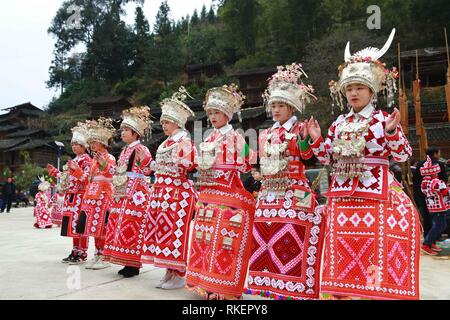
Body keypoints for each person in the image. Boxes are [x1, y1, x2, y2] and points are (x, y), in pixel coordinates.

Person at [307, 29, 421, 300]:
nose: (353, 93)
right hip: (342, 195)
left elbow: (403, 155)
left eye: (359, 88)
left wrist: (393, 132)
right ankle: (342, 293)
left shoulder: (383, 119)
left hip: (375, 192)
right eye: (349, 88)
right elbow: (326, 159)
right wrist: (315, 140)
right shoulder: (337, 123)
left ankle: (376, 293)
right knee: (343, 246)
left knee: (377, 245)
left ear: (371, 91)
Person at [246, 63, 325, 300]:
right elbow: (255, 162)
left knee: (292, 240)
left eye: (280, 105)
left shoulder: (301, 128)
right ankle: (268, 286)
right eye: (273, 105)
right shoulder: (265, 133)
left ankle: (292, 289)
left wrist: (305, 140)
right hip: (268, 193)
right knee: (264, 240)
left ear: (291, 106)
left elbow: (309, 159)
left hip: (293, 191)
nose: (276, 109)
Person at [185, 84, 256, 300]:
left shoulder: (234, 136)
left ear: (227, 114)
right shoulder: (208, 138)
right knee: (204, 241)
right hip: (208, 194)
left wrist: (241, 147)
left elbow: (249, 163)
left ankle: (223, 287)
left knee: (225, 242)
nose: (213, 116)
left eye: (217, 112)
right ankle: (204, 282)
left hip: (227, 193)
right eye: (210, 113)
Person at [141, 87, 198, 289]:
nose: (163, 125)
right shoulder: (166, 142)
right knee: (163, 231)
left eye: (166, 121)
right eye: (162, 121)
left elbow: (190, 164)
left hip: (177, 194)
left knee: (176, 234)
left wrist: (184, 159)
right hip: (162, 192)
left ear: (178, 122)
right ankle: (169, 271)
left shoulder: (184, 140)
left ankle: (180, 273)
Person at [102, 106, 153, 278]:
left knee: (131, 225)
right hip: (122, 189)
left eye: (126, 130)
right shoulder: (124, 150)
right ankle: (125, 260)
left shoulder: (142, 149)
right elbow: (117, 170)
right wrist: (104, 166)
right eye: (122, 129)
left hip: (135, 192)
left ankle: (133, 263)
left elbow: (147, 170)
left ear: (136, 133)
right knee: (120, 225)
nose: (122, 133)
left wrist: (144, 161)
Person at [47, 122, 92, 264]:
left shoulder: (87, 160)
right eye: (72, 144)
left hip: (81, 195)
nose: (73, 146)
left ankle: (82, 252)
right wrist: (55, 172)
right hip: (71, 195)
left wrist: (76, 170)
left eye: (77, 144)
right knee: (73, 225)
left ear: (84, 146)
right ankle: (75, 250)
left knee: (80, 225)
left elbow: (86, 179)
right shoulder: (74, 160)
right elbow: (67, 178)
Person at [77, 118, 116, 270]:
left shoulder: (110, 157)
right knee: (93, 225)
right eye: (91, 142)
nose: (92, 145)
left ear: (103, 143)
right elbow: (87, 178)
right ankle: (98, 253)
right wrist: (76, 170)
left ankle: (105, 256)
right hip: (92, 194)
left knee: (103, 225)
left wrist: (104, 164)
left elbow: (114, 174)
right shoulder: (93, 160)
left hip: (104, 194)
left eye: (95, 142)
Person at [413, 147, 448, 237]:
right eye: (439, 153)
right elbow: (444, 179)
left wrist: (417, 195)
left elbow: (415, 180)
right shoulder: (439, 164)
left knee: (427, 217)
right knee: (439, 219)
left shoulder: (420, 164)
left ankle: (428, 237)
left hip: (422, 195)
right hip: (437, 197)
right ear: (435, 154)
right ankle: (433, 239)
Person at [420, 156, 450, 255]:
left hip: (432, 207)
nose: (436, 173)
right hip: (439, 207)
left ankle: (431, 242)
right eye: (435, 172)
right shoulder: (435, 182)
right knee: (438, 226)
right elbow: (444, 191)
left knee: (440, 225)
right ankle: (426, 244)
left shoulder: (424, 182)